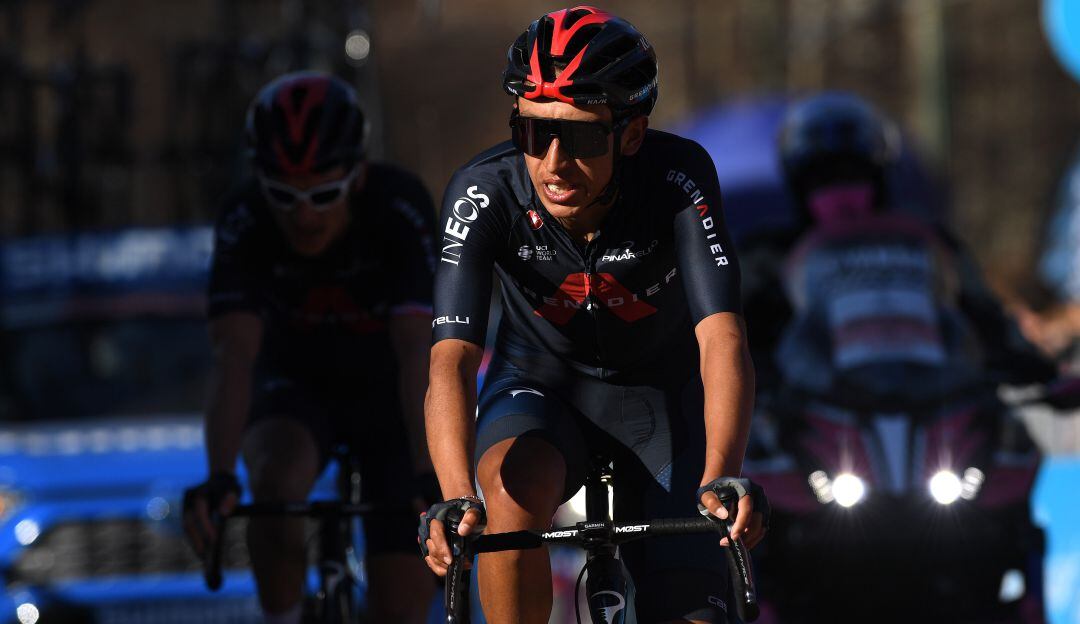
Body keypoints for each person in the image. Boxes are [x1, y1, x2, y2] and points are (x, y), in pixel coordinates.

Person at [417, 7, 767, 623]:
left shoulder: (677, 178)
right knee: (506, 490)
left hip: (662, 396)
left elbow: (722, 339)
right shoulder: (482, 191)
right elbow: (451, 358)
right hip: (539, 388)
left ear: (630, 134)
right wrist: (453, 495)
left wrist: (722, 475)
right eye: (532, 132)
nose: (553, 162)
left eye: (579, 137)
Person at [182, 72, 438, 624]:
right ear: (259, 180)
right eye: (284, 194)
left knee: (401, 602)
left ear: (358, 173)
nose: (303, 214)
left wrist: (428, 473)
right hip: (293, 390)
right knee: (275, 479)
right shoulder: (245, 219)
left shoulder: (399, 207)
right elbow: (234, 358)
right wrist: (220, 475)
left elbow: (418, 351)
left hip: (390, 393)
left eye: (323, 194)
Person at [741, 92, 1056, 402]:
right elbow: (737, 335)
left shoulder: (926, 247)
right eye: (823, 180)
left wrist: (1027, 365)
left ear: (878, 180)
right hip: (815, 422)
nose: (841, 193)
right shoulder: (769, 258)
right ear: (800, 189)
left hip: (932, 408)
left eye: (853, 176)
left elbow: (981, 315)